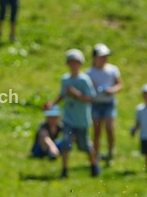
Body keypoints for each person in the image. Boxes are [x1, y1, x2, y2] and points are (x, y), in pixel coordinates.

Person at [51, 49, 99, 178]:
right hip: (68, 118)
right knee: (66, 143)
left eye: (76, 62)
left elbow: (90, 98)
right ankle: (64, 170)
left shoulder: (84, 80)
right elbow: (62, 94)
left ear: (80, 64)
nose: (73, 65)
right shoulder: (65, 79)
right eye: (71, 63)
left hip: (82, 119)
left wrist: (76, 95)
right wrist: (53, 103)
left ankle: (94, 165)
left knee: (84, 145)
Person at [87, 43, 122, 166]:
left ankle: (110, 151)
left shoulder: (113, 70)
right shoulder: (89, 73)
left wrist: (112, 90)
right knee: (97, 131)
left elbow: (119, 84)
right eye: (102, 56)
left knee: (109, 128)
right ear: (95, 58)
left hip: (109, 103)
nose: (104, 59)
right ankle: (95, 155)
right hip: (96, 104)